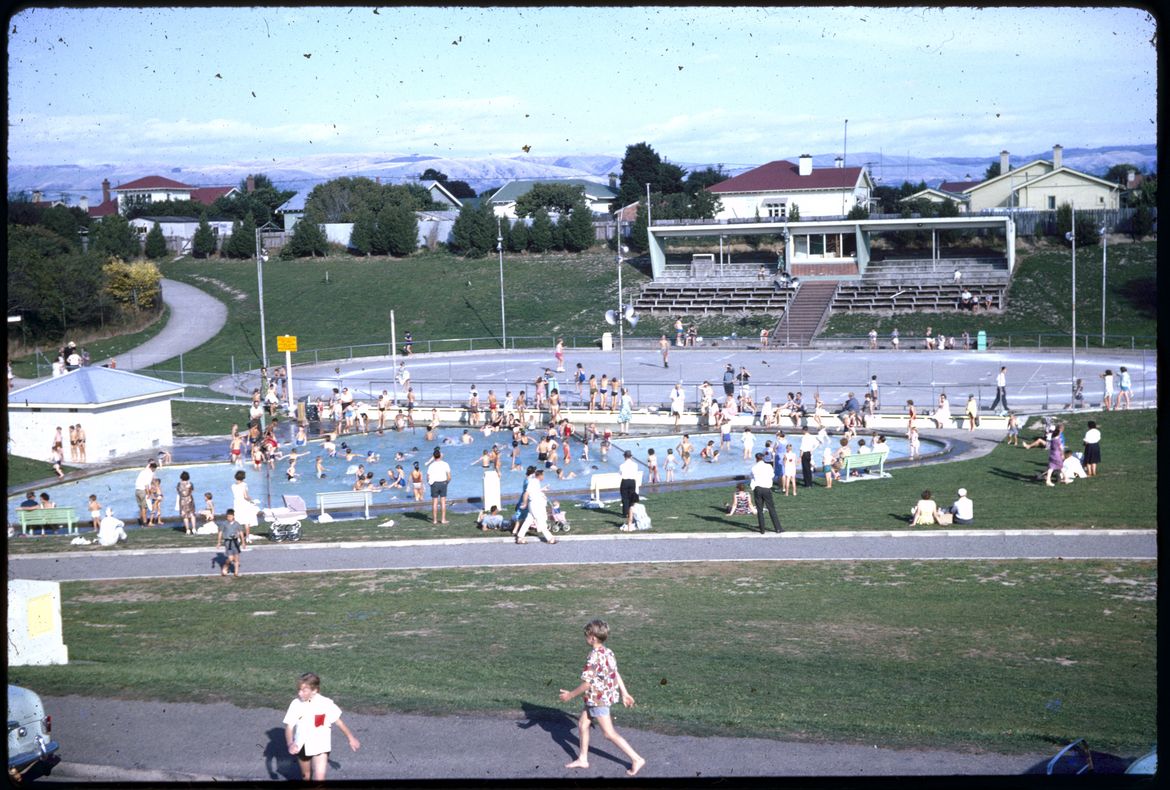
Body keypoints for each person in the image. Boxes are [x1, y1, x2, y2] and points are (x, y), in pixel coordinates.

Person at [559, 620, 645, 777]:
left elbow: (586, 684)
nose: (585, 638)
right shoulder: (608, 652)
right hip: (597, 697)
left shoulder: (593, 656)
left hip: (598, 699)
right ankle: (583, 759)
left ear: (592, 638)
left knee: (609, 733)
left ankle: (636, 758)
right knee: (583, 724)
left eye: (587, 635)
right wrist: (625, 693)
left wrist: (569, 695)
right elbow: (615, 673)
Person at [284, 672, 361, 782]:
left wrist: (351, 738)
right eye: (299, 690)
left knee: (320, 778)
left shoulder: (326, 703)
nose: (300, 694)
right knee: (306, 776)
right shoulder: (296, 704)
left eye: (303, 691)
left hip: (321, 745)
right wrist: (290, 743)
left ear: (314, 690)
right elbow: (289, 727)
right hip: (302, 745)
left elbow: (339, 722)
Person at [515, 469, 557, 544]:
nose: (544, 477)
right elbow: (526, 493)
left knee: (528, 521)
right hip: (535, 505)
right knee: (541, 521)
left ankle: (520, 537)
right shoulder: (534, 482)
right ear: (540, 475)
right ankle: (550, 538)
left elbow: (534, 492)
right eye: (543, 475)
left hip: (534, 504)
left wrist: (542, 489)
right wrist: (524, 504)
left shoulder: (535, 482)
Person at [750, 452, 783, 534]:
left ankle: (762, 530)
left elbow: (751, 477)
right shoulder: (768, 466)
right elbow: (772, 475)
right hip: (767, 489)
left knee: (759, 510)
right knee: (771, 508)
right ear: (763, 458)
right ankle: (778, 528)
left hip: (757, 488)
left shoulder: (754, 467)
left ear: (756, 459)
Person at [231, 470, 259, 546]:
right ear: (243, 477)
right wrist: (252, 500)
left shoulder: (233, 486)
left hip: (237, 503)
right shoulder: (244, 485)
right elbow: (245, 496)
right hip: (244, 503)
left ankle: (238, 537)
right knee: (247, 521)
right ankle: (247, 537)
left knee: (238, 521)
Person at [426, 447, 451, 524]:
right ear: (440, 455)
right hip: (443, 483)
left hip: (434, 484)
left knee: (434, 502)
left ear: (433, 457)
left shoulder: (431, 465)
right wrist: (447, 482)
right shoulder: (445, 464)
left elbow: (427, 477)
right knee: (443, 502)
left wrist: (430, 483)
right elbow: (449, 477)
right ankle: (443, 519)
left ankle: (434, 520)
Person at [217, 509, 244, 577]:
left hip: (235, 542)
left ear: (233, 516)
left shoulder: (237, 524)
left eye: (231, 516)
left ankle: (236, 572)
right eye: (228, 516)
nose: (229, 518)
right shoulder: (224, 524)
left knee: (237, 558)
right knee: (231, 558)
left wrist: (243, 542)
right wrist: (219, 542)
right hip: (228, 542)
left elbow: (241, 533)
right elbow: (220, 533)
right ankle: (225, 566)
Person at [134, 460, 157, 526]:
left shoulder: (143, 472)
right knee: (144, 508)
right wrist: (148, 494)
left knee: (141, 508)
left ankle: (141, 523)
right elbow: (146, 485)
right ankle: (145, 523)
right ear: (153, 468)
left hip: (137, 490)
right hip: (142, 491)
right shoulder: (149, 473)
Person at [618, 450, 638, 518]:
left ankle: (625, 513)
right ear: (631, 456)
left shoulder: (622, 465)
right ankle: (631, 512)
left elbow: (620, 473)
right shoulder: (635, 465)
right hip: (632, 481)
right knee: (631, 497)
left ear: (624, 457)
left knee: (625, 497)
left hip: (625, 481)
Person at [177, 470, 197, 535]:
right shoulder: (190, 484)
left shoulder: (179, 484)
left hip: (182, 500)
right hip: (190, 499)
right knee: (192, 514)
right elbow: (192, 490)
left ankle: (187, 529)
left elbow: (178, 491)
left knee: (185, 516)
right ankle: (194, 528)